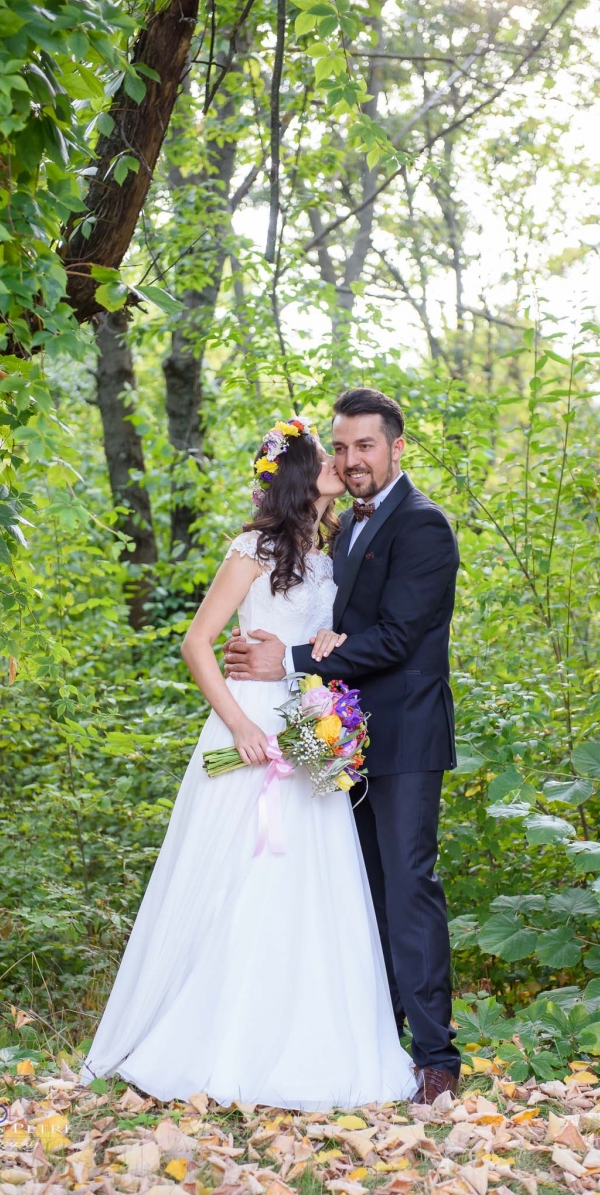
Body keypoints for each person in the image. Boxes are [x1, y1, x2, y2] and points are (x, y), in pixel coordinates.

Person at [79, 416, 418, 1111]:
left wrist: (331, 641)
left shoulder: (328, 554)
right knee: (239, 878)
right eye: (325, 453)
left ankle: (306, 1041)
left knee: (310, 884)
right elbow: (197, 642)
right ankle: (215, 1040)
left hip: (305, 727)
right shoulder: (254, 547)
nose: (337, 462)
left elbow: (340, 638)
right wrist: (237, 727)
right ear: (299, 474)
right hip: (250, 726)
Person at [224, 388, 462, 1104]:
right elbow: (344, 628)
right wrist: (318, 651)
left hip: (405, 742)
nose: (352, 459)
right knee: (357, 896)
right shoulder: (344, 531)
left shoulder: (422, 526)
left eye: (366, 445)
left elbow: (396, 636)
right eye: (342, 446)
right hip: (339, 738)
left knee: (407, 889)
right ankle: (368, 1042)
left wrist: (291, 661)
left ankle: (434, 1059)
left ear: (395, 447)